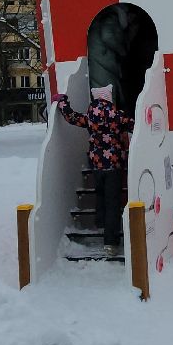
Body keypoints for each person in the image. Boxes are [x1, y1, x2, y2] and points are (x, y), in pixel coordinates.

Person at [51, 85, 134, 255]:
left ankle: (101, 223)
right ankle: (110, 242)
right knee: (113, 202)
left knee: (101, 195)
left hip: (96, 166)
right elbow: (135, 124)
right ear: (109, 98)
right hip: (114, 166)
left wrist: (62, 101)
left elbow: (71, 117)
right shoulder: (117, 116)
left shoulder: (90, 117)